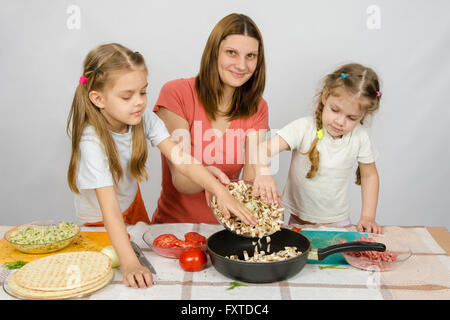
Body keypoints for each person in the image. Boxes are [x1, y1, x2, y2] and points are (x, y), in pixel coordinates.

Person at [66, 43, 256, 289]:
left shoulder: (142, 118)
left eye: (143, 92)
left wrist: (220, 191)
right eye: (127, 96)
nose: (139, 102)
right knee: (108, 275)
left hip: (131, 205)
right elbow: (109, 208)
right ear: (98, 98)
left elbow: (182, 159)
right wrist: (130, 264)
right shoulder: (91, 142)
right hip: (99, 219)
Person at [152, 13, 270, 224]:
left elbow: (250, 180)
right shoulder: (176, 93)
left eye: (250, 56)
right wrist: (210, 177)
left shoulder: (258, 107)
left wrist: (263, 184)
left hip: (226, 231)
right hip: (176, 231)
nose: (242, 65)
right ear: (214, 52)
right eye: (232, 53)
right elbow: (181, 179)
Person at [252, 63, 383, 234]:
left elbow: (369, 175)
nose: (340, 121)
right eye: (335, 110)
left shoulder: (360, 138)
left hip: (338, 223)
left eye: (351, 118)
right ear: (325, 96)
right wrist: (263, 173)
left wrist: (368, 216)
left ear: (363, 115)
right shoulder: (303, 128)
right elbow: (261, 150)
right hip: (297, 221)